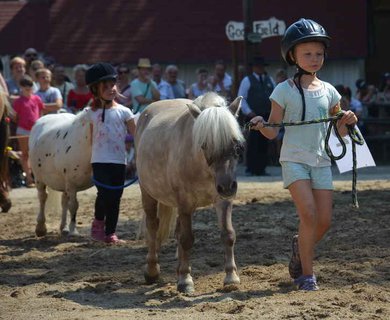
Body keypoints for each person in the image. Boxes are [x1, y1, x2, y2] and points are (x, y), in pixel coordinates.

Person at [250, 18, 358, 291]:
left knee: (324, 221)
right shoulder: (282, 90)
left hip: (322, 161)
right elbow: (274, 132)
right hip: (294, 160)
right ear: (292, 56)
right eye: (307, 53)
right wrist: (262, 126)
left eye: (318, 53)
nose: (314, 58)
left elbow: (339, 135)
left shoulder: (331, 92)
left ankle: (300, 246)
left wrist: (346, 121)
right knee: (309, 215)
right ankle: (306, 275)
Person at [84, 62, 136, 244]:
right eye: (104, 86)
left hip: (118, 161)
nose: (110, 89)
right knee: (104, 194)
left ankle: (110, 232)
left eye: (112, 85)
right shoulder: (90, 113)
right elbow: (89, 138)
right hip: (99, 160)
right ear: (95, 90)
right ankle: (98, 223)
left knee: (115, 198)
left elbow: (136, 134)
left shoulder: (125, 112)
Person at [238, 56, 275, 176]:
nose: (260, 68)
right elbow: (241, 98)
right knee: (253, 142)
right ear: (253, 67)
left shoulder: (270, 80)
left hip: (266, 115)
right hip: (252, 116)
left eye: (262, 66)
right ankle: (251, 168)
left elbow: (274, 97)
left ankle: (261, 168)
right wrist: (248, 112)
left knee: (264, 142)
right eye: (258, 66)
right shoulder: (247, 80)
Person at [9, 75, 44, 187]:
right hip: (23, 130)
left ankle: (38, 177)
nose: (28, 88)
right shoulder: (18, 102)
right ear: (21, 87)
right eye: (26, 86)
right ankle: (29, 179)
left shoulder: (37, 98)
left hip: (36, 130)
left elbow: (41, 112)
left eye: (30, 85)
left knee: (37, 154)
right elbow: (14, 117)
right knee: (25, 155)